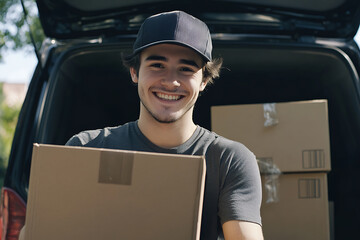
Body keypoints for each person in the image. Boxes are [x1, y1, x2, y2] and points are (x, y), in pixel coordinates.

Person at [66, 10, 263, 240]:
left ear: (204, 81)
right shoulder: (86, 149)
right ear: (134, 72)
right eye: (157, 65)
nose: (171, 81)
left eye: (186, 69)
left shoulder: (228, 161)